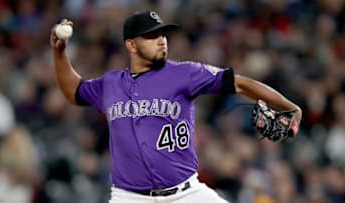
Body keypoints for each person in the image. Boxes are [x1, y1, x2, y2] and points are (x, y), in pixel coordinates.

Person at [50, 10, 302, 203]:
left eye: (162, 34)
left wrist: (289, 106)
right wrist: (59, 52)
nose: (161, 40)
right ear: (131, 45)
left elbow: (240, 84)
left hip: (186, 194)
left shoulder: (185, 73)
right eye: (151, 35)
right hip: (130, 197)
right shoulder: (110, 84)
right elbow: (73, 91)